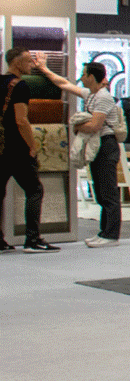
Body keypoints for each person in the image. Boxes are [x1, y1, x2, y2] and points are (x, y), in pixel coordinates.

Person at [37, 60, 123, 246]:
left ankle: (111, 235)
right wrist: (44, 68)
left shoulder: (103, 97)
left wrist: (75, 126)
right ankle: (104, 232)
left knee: (108, 192)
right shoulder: (90, 95)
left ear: (91, 77)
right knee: (100, 191)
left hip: (106, 146)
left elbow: (94, 126)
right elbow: (64, 84)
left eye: (84, 74)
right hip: (98, 145)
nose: (81, 78)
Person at [0, 47, 58, 252]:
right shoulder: (20, 86)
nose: (32, 65)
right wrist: (32, 146)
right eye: (28, 61)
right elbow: (21, 120)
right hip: (16, 148)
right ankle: (32, 239)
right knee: (34, 190)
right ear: (17, 63)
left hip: (0, 148)